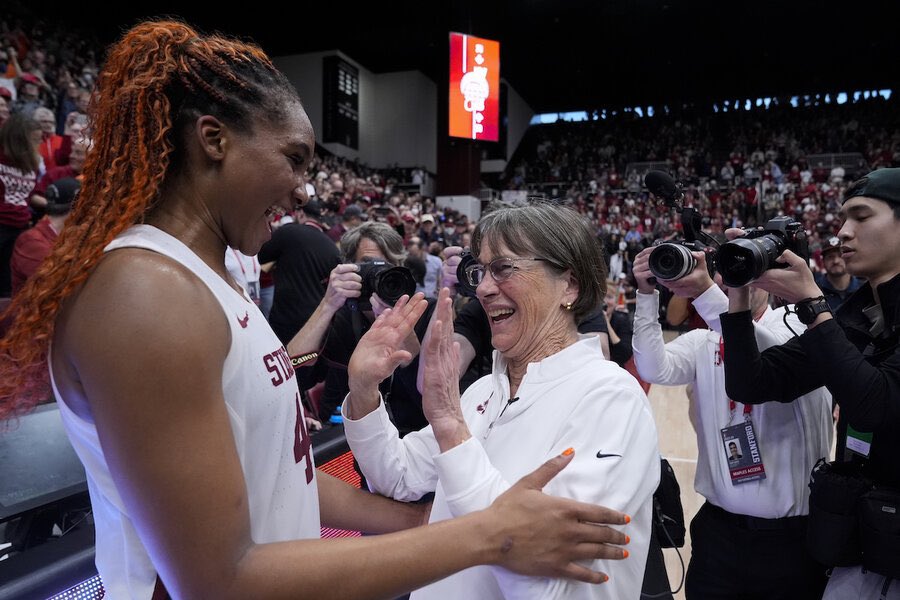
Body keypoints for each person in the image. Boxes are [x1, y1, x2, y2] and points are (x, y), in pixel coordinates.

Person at [0, 21, 632, 600]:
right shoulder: (144, 293)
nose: (304, 188)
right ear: (213, 140)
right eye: (294, 159)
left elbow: (280, 475)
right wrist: (486, 536)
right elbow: (219, 581)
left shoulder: (207, 280)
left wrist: (420, 519)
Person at [342, 202, 660, 599]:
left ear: (570, 285)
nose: (484, 288)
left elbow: (547, 585)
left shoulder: (612, 399)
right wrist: (363, 391)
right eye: (481, 271)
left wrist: (452, 431)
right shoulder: (484, 391)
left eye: (504, 268)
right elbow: (398, 476)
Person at [720, 167, 900, 599]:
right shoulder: (857, 315)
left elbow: (875, 407)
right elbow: (752, 382)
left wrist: (813, 304)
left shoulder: (837, 315)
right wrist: (740, 294)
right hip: (862, 541)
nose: (842, 233)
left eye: (860, 216)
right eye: (841, 220)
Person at [631, 247, 833, 600]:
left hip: (789, 540)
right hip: (718, 532)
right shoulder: (703, 340)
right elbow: (652, 368)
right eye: (724, 272)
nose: (730, 282)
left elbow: (763, 359)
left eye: (744, 272)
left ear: (770, 280)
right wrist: (647, 294)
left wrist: (704, 294)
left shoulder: (796, 325)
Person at [294, 222, 433, 433]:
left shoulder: (424, 310)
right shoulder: (339, 318)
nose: (379, 275)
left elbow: (430, 396)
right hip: (346, 435)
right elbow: (294, 373)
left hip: (411, 434)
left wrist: (400, 324)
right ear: (348, 267)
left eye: (387, 267)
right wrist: (328, 305)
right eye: (369, 266)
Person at [10, 177, 78, 295]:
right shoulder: (32, 241)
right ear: (77, 208)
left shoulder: (71, 236)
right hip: (33, 312)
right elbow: (56, 285)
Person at [0, 112, 42, 296]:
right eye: (34, 140)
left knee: (7, 284)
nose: (37, 145)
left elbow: (28, 195)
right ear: (19, 140)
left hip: (20, 227)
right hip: (1, 226)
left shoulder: (30, 164)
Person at [815, 235, 862, 312]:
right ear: (823, 262)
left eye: (840, 255)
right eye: (830, 257)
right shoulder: (815, 291)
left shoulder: (864, 288)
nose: (836, 261)